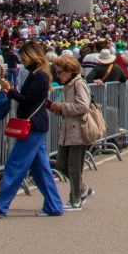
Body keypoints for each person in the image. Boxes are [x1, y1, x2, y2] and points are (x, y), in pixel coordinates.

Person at [0, 46, 65, 217]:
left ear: (32, 56)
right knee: (40, 170)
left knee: (15, 165)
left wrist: (9, 90)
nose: (22, 60)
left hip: (32, 125)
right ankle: (54, 205)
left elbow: (27, 100)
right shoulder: (40, 74)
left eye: (24, 57)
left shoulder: (39, 76)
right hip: (36, 124)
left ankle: (0, 205)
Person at [51, 56, 95, 210]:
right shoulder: (69, 85)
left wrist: (63, 107)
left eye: (60, 72)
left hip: (78, 129)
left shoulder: (78, 84)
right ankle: (83, 189)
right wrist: (59, 108)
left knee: (74, 166)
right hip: (68, 128)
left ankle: (75, 198)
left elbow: (83, 106)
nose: (58, 75)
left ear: (69, 71)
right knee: (62, 164)